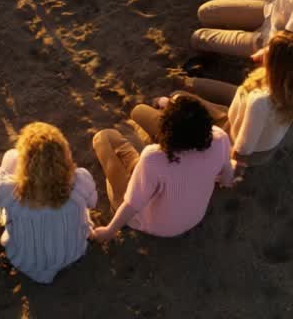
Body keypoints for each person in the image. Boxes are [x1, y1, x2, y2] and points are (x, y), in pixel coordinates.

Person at [139, 31, 293, 172]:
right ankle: (171, 100)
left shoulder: (261, 102)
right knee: (183, 94)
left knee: (173, 101)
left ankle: (165, 104)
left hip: (233, 137)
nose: (263, 52)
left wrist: (233, 169)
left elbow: (243, 147)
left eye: (268, 51)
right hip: (240, 123)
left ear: (277, 64)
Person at [89, 95, 234, 243]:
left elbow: (132, 204)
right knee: (138, 112)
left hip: (153, 224)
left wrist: (109, 231)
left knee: (104, 136)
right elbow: (227, 178)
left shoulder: (153, 157)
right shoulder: (220, 138)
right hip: (195, 217)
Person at [0, 122, 97, 284]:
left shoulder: (7, 191)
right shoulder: (81, 180)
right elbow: (92, 204)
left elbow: (1, 203)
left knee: (10, 156)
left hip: (25, 259)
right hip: (71, 253)